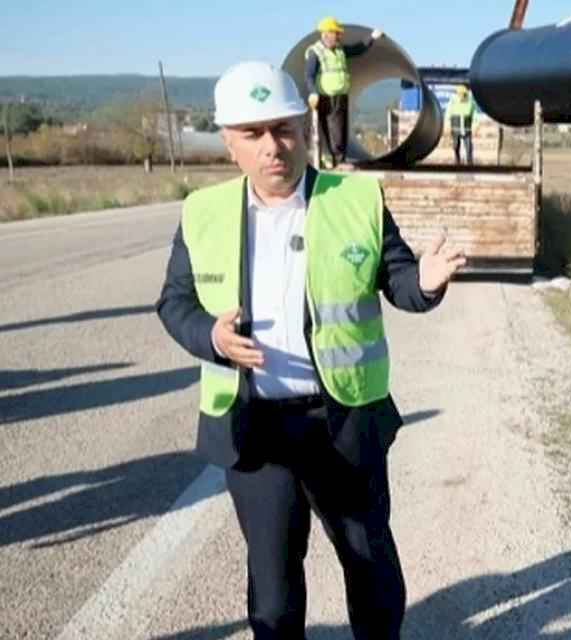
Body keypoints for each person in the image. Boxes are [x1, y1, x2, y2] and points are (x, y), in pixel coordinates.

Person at [156, 60, 465, 639]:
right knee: (273, 591)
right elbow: (175, 303)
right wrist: (212, 338)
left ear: (304, 127)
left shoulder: (355, 200)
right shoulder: (202, 213)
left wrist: (425, 282)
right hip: (256, 429)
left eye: (283, 129)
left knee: (369, 564)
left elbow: (399, 280)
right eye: (252, 133)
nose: (271, 146)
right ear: (229, 142)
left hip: (341, 422)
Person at [305, 17, 382, 168]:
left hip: (341, 95)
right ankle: (337, 161)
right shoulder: (315, 52)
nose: (339, 36)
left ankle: (338, 159)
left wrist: (372, 37)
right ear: (326, 34)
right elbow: (309, 75)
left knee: (341, 129)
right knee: (333, 130)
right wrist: (313, 92)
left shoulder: (340, 50)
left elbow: (358, 49)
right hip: (326, 97)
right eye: (336, 33)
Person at [445, 85, 476, 165]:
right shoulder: (452, 102)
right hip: (456, 128)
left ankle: (469, 162)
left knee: (468, 146)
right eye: (460, 94)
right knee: (456, 145)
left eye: (463, 94)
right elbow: (448, 114)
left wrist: (476, 126)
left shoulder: (470, 102)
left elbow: (475, 115)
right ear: (457, 94)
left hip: (466, 128)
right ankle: (457, 160)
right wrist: (447, 126)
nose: (461, 96)